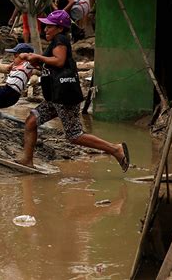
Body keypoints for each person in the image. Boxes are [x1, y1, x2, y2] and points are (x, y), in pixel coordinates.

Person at [16, 10, 130, 172]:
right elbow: (49, 65)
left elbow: (59, 61)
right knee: (31, 121)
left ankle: (115, 149)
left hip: (64, 96)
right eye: (46, 26)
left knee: (74, 135)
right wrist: (34, 60)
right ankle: (27, 160)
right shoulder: (55, 42)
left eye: (49, 26)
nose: (46, 29)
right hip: (55, 98)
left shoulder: (60, 40)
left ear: (60, 28)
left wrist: (39, 58)